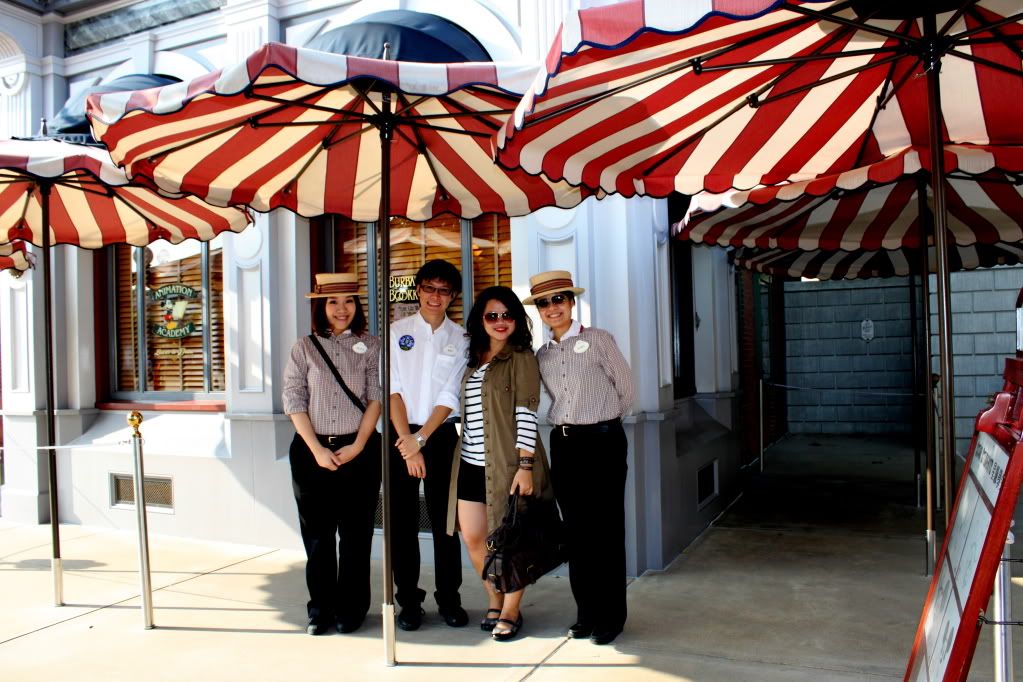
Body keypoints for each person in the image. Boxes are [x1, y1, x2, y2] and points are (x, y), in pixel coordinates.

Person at [525, 270, 635, 646]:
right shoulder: (542, 355)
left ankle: (611, 617)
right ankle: (586, 614)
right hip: (565, 445)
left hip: (602, 443)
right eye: (544, 303)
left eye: (559, 299)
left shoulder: (599, 339)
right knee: (576, 532)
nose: (552, 307)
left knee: (606, 531)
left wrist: (602, 424)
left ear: (571, 302)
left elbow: (626, 389)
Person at [446, 286, 552, 641]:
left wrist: (525, 465)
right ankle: (494, 597)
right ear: (480, 320)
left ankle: (510, 610)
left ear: (517, 319)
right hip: (469, 462)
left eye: (507, 315)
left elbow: (527, 414)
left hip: (508, 465)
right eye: (492, 315)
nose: (500, 321)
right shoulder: (472, 358)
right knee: (474, 538)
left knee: (511, 541)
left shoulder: (521, 357)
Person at [282, 272, 382, 636]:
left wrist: (357, 445)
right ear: (320, 307)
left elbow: (376, 397)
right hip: (312, 451)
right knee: (318, 536)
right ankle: (320, 608)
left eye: (349, 301)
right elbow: (293, 398)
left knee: (356, 536)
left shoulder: (371, 345)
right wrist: (317, 450)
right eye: (333, 302)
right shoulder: (304, 347)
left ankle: (351, 609)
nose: (342, 309)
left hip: (359, 450)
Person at [389, 259, 470, 630]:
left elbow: (450, 394)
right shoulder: (397, 332)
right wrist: (407, 441)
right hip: (399, 435)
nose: (435, 296)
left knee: (445, 524)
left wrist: (420, 439)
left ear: (453, 296)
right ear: (418, 289)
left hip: (439, 436)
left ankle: (449, 599)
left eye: (444, 290)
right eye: (429, 288)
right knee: (403, 525)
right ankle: (408, 601)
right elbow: (392, 390)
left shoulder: (462, 339)